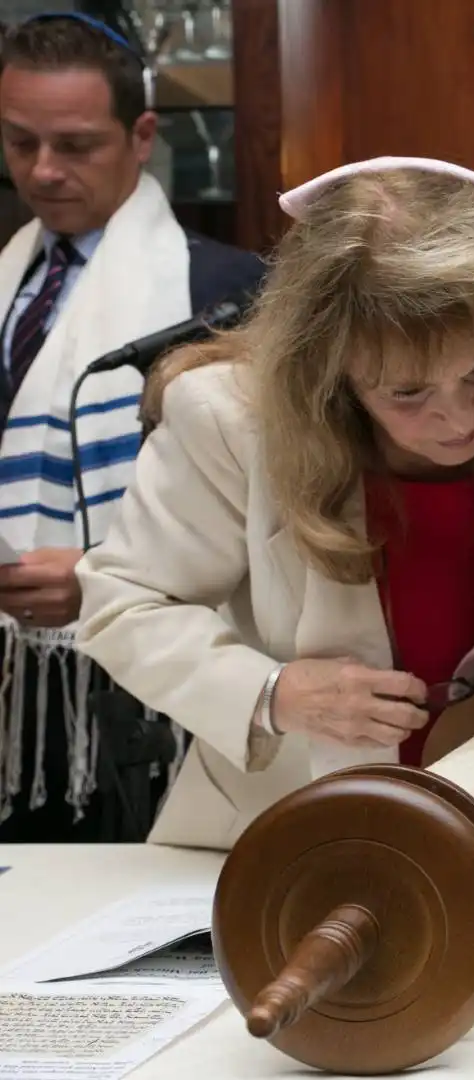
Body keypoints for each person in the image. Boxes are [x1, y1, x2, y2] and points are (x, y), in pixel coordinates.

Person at [73, 156, 474, 850]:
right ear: (331, 377)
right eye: (407, 392)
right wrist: (274, 693)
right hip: (286, 826)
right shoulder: (228, 419)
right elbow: (120, 603)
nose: (457, 418)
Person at [0, 12, 265, 841]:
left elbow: (271, 515)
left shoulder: (225, 291)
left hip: (149, 704)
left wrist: (111, 573)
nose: (42, 171)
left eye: (75, 146)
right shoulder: (5, 273)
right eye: (17, 142)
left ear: (142, 134)